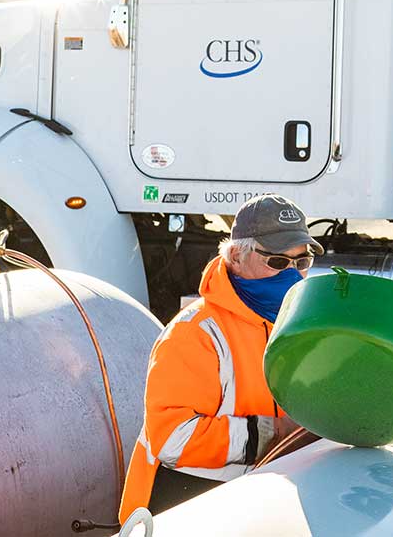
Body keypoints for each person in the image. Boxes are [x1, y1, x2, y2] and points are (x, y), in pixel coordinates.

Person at [118, 195, 323, 522]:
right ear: (235, 257)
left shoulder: (294, 322)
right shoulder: (195, 334)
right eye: (278, 262)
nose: (293, 276)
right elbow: (171, 439)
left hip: (253, 497)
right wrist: (273, 433)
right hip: (182, 506)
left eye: (301, 262)